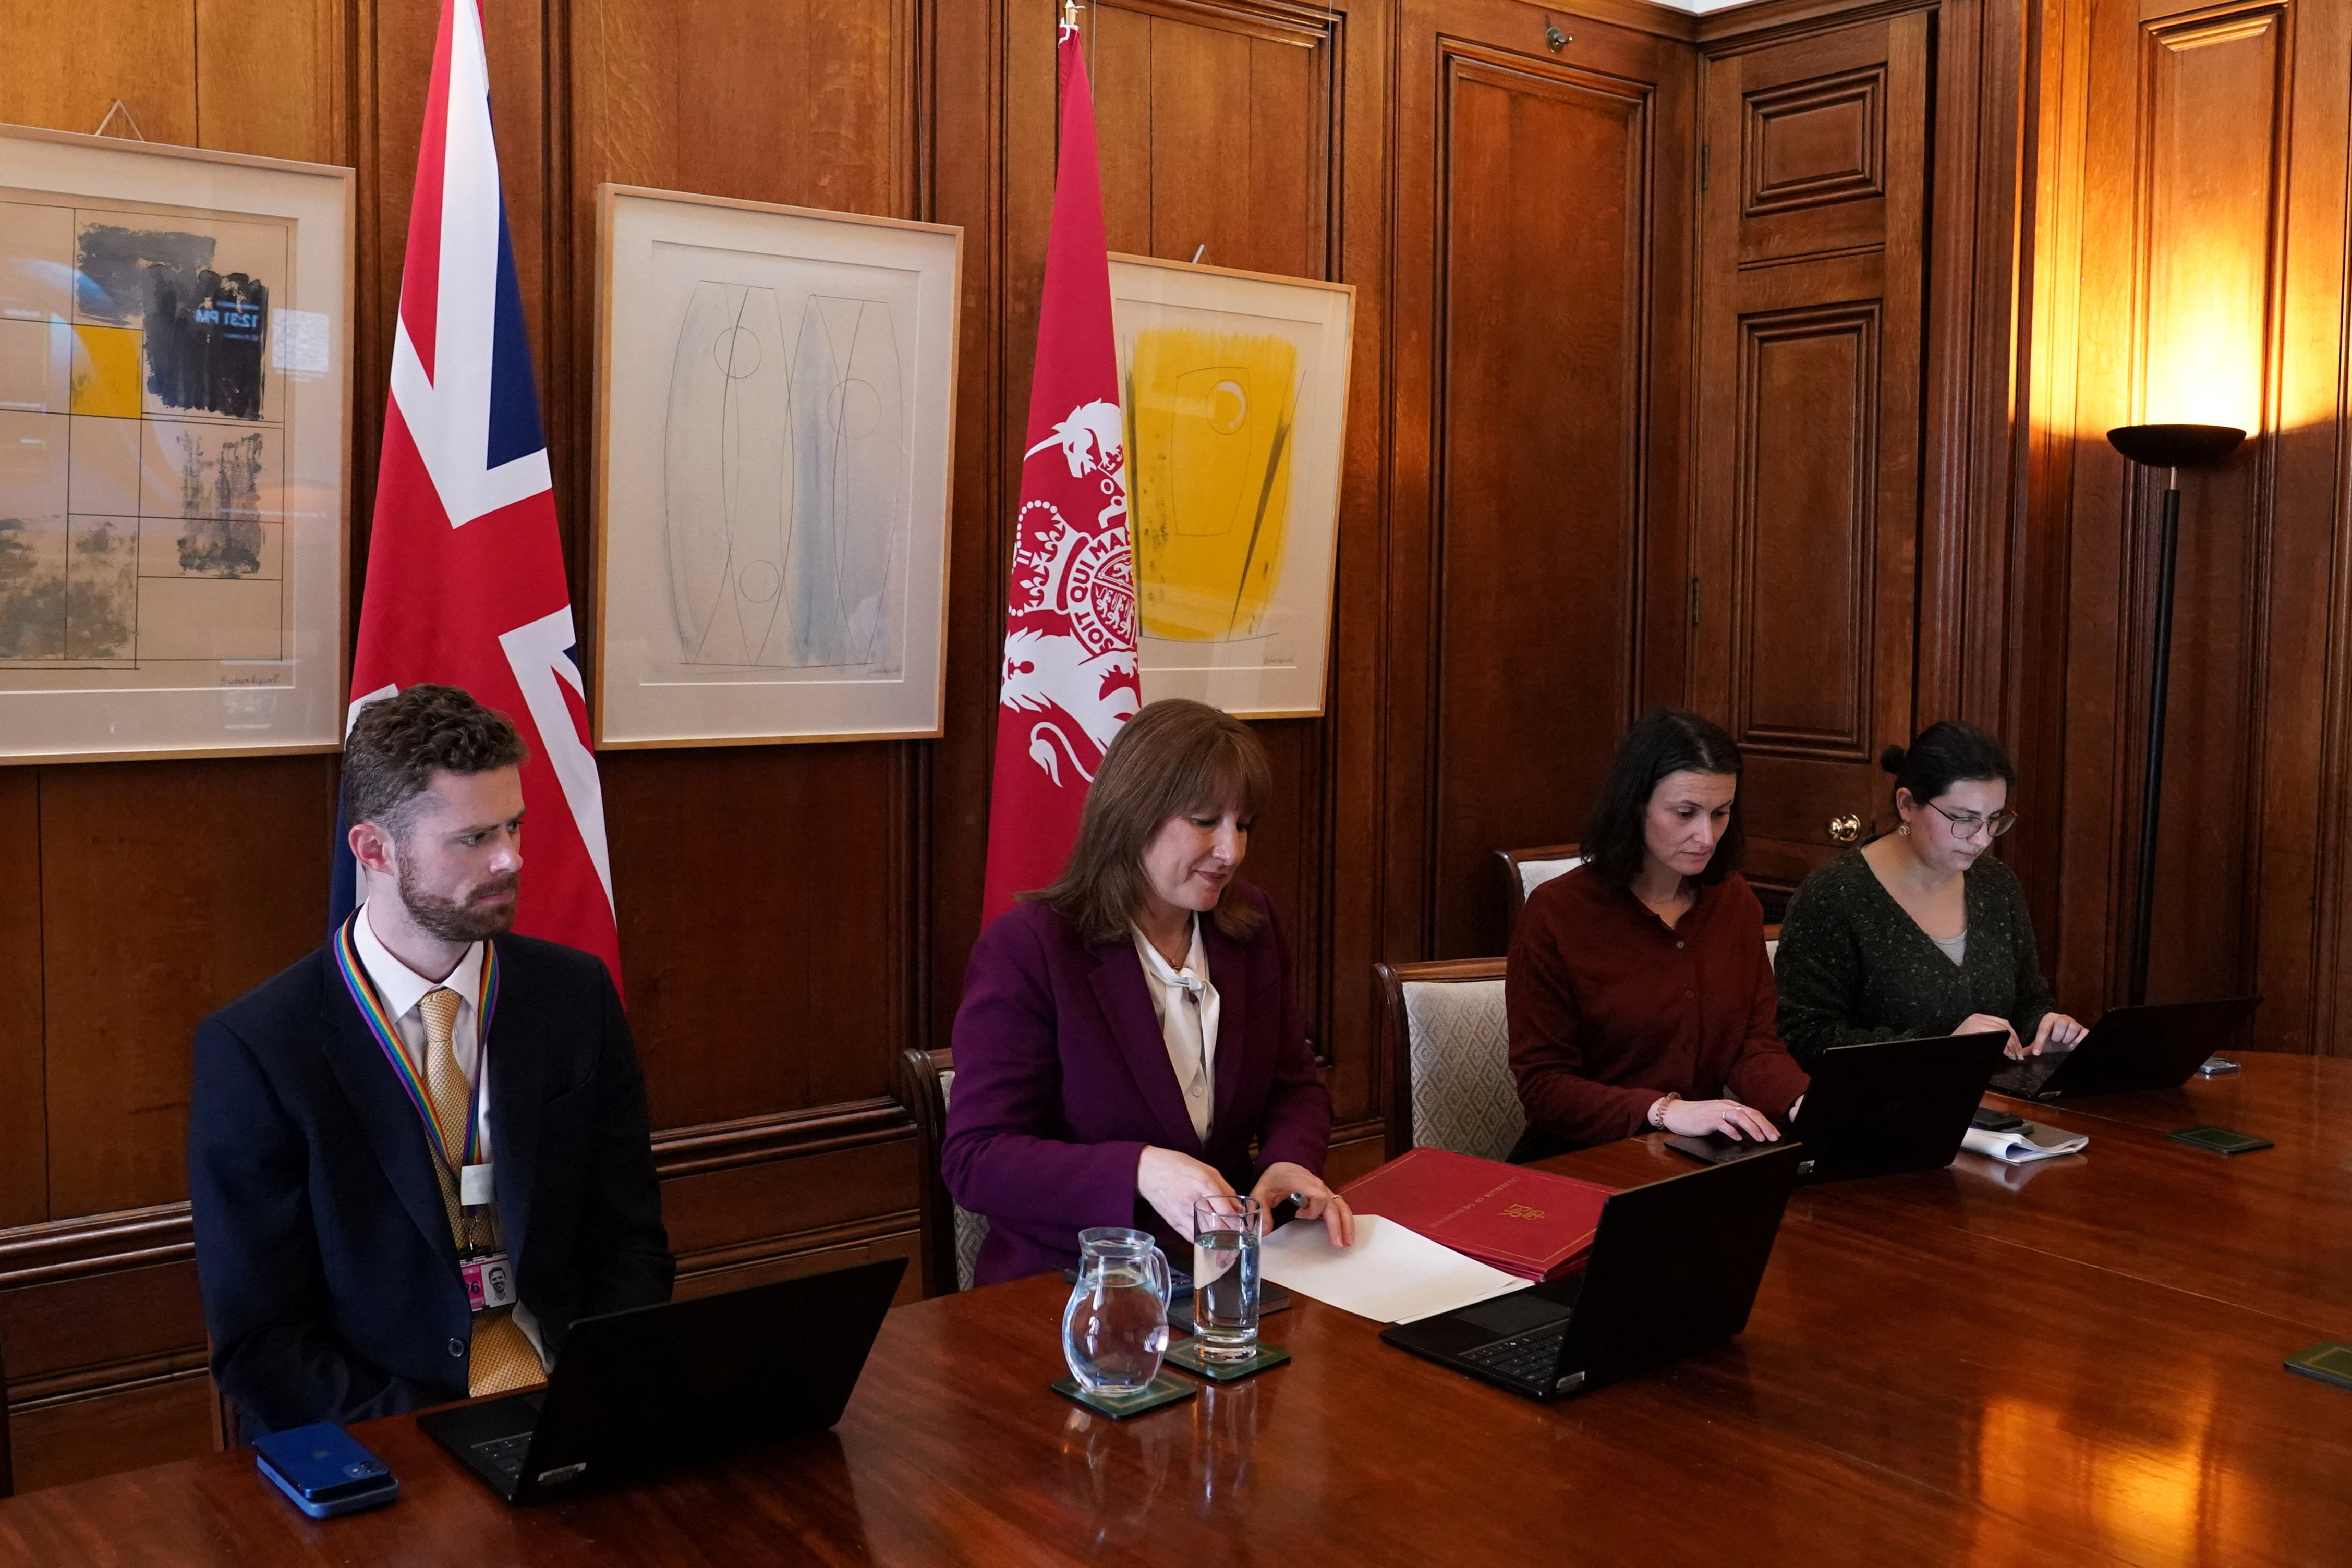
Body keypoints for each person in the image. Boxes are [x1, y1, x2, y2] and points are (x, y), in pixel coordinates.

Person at [188, 684, 672, 1438]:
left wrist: (595, 1395)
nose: (512, 857)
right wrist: (435, 1437)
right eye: (474, 837)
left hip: (569, 1405)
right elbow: (262, 1340)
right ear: (374, 849)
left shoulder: (573, 994)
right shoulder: (259, 1048)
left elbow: (629, 1242)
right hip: (385, 1436)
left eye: (513, 825)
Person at [944, 699, 1351, 1286]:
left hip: (1226, 1271)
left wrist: (1290, 1159)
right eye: (1206, 821)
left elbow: (1294, 1086)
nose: (1231, 851)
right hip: (1075, 1284)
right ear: (1134, 813)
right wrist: (1138, 1169)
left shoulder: (1252, 925)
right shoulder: (1030, 948)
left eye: (1244, 825)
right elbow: (975, 1160)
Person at [1507, 707, 1809, 1159]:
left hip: (1692, 1155)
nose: (1706, 837)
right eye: (1685, 813)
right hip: (1582, 1158)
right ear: (1636, 805)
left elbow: (1753, 1045)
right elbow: (1545, 1086)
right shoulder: (1557, 913)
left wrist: (1801, 1100)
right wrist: (1664, 1110)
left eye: (1721, 813)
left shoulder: (1735, 903)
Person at [1774, 721, 2084, 1070]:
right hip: (1888, 1108)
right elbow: (1804, 1038)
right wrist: (1941, 1047)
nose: (1982, 839)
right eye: (1963, 819)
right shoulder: (1835, 896)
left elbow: (2028, 1001)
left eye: (1994, 819)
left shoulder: (1996, 884)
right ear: (1907, 804)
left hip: (1996, 1106)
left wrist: (2046, 1027)